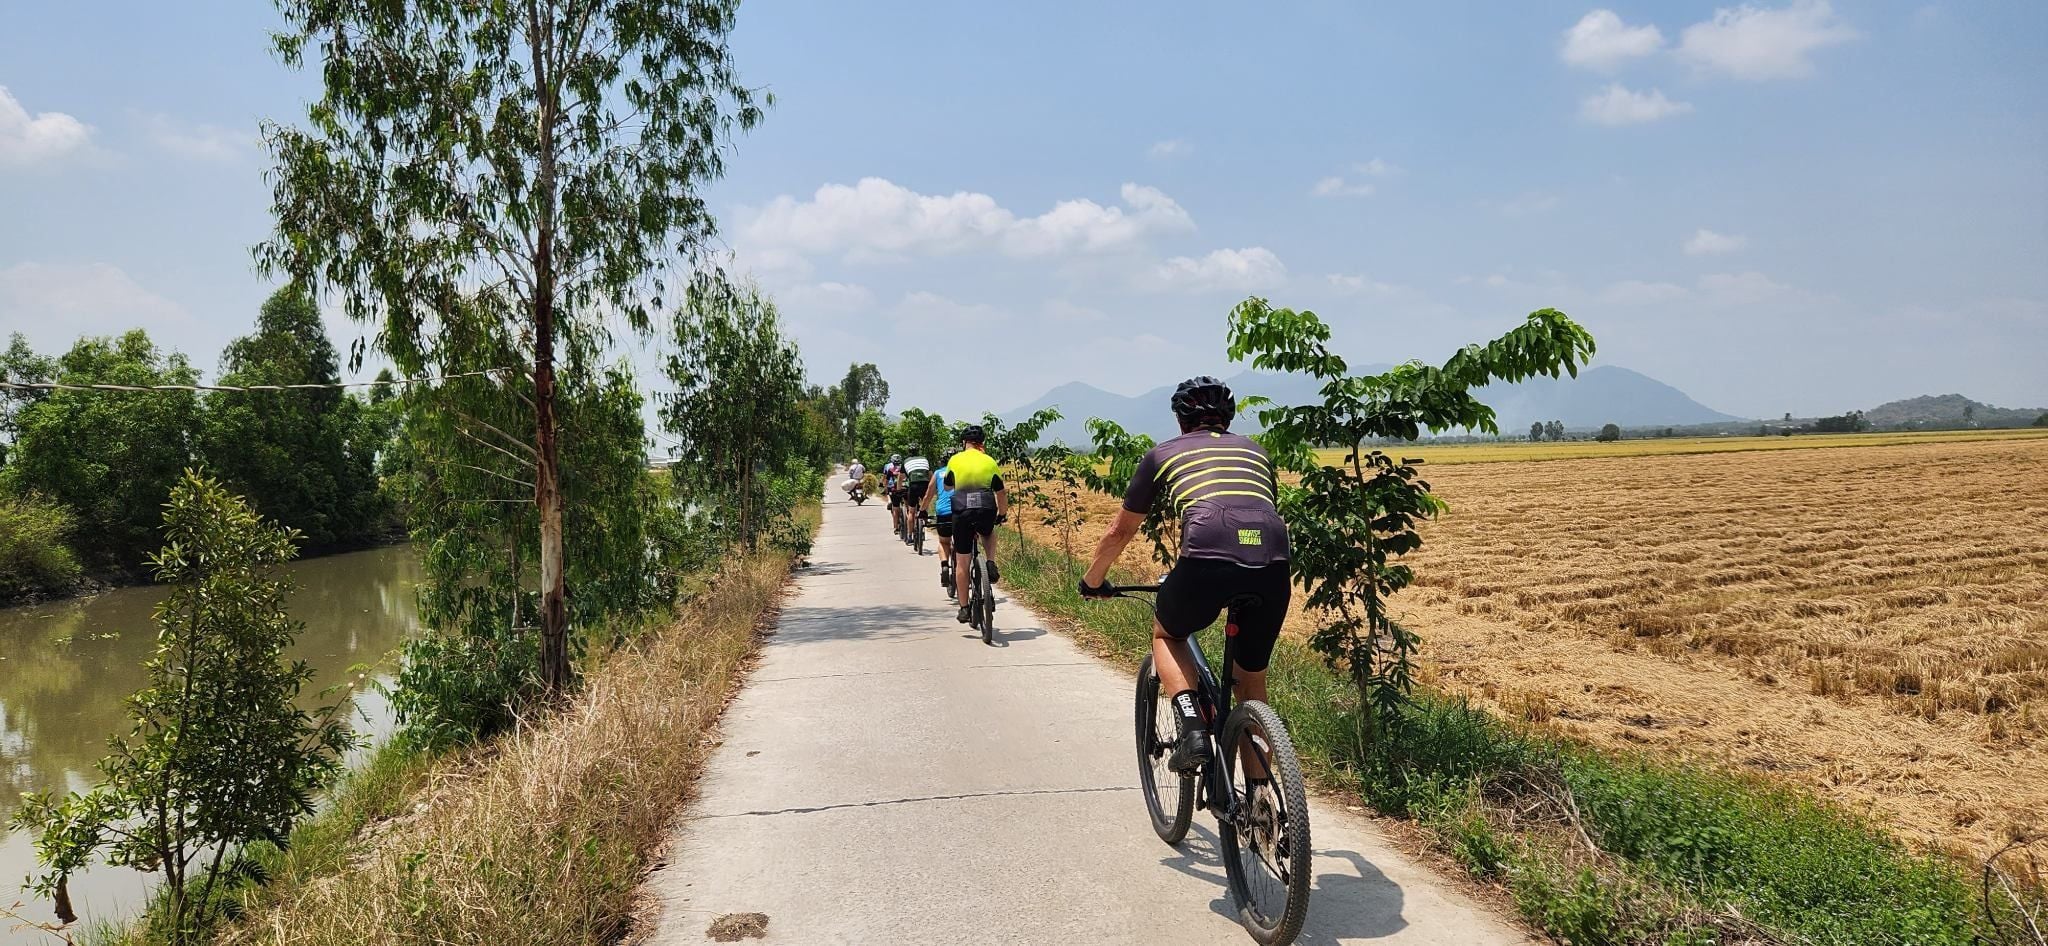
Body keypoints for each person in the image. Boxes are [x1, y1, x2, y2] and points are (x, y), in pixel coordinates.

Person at [1077, 376, 1290, 776]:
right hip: (1273, 562)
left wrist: (1092, 580)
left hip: (1207, 557)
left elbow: (1118, 532)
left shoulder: (1163, 453)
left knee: (1168, 633)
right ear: (1228, 417)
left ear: (1179, 419)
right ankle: (1262, 805)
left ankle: (1192, 727)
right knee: (1252, 682)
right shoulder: (1255, 452)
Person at [941, 426, 1007, 622]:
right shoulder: (990, 461)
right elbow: (1001, 493)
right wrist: (1002, 514)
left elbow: (947, 486)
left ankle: (963, 608)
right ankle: (990, 561)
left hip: (962, 511)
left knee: (962, 560)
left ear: (964, 443)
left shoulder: (955, 459)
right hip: (986, 507)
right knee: (988, 532)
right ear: (982, 444)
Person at [922, 450, 958, 596]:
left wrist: (923, 510)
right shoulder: (962, 471)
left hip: (943, 512)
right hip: (961, 511)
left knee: (944, 542)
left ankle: (944, 565)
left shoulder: (937, 473)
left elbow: (929, 494)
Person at [899, 453, 933, 544]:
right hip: (924, 484)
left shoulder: (906, 461)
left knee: (911, 512)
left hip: (913, 486)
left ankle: (910, 536)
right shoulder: (924, 459)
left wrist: (898, 490)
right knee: (925, 501)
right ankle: (925, 520)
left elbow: (900, 478)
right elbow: (930, 475)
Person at [881, 454, 905, 533]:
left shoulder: (890, 469)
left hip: (893, 489)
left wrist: (885, 488)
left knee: (895, 508)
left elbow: (886, 480)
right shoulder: (904, 468)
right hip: (904, 488)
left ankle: (896, 527)